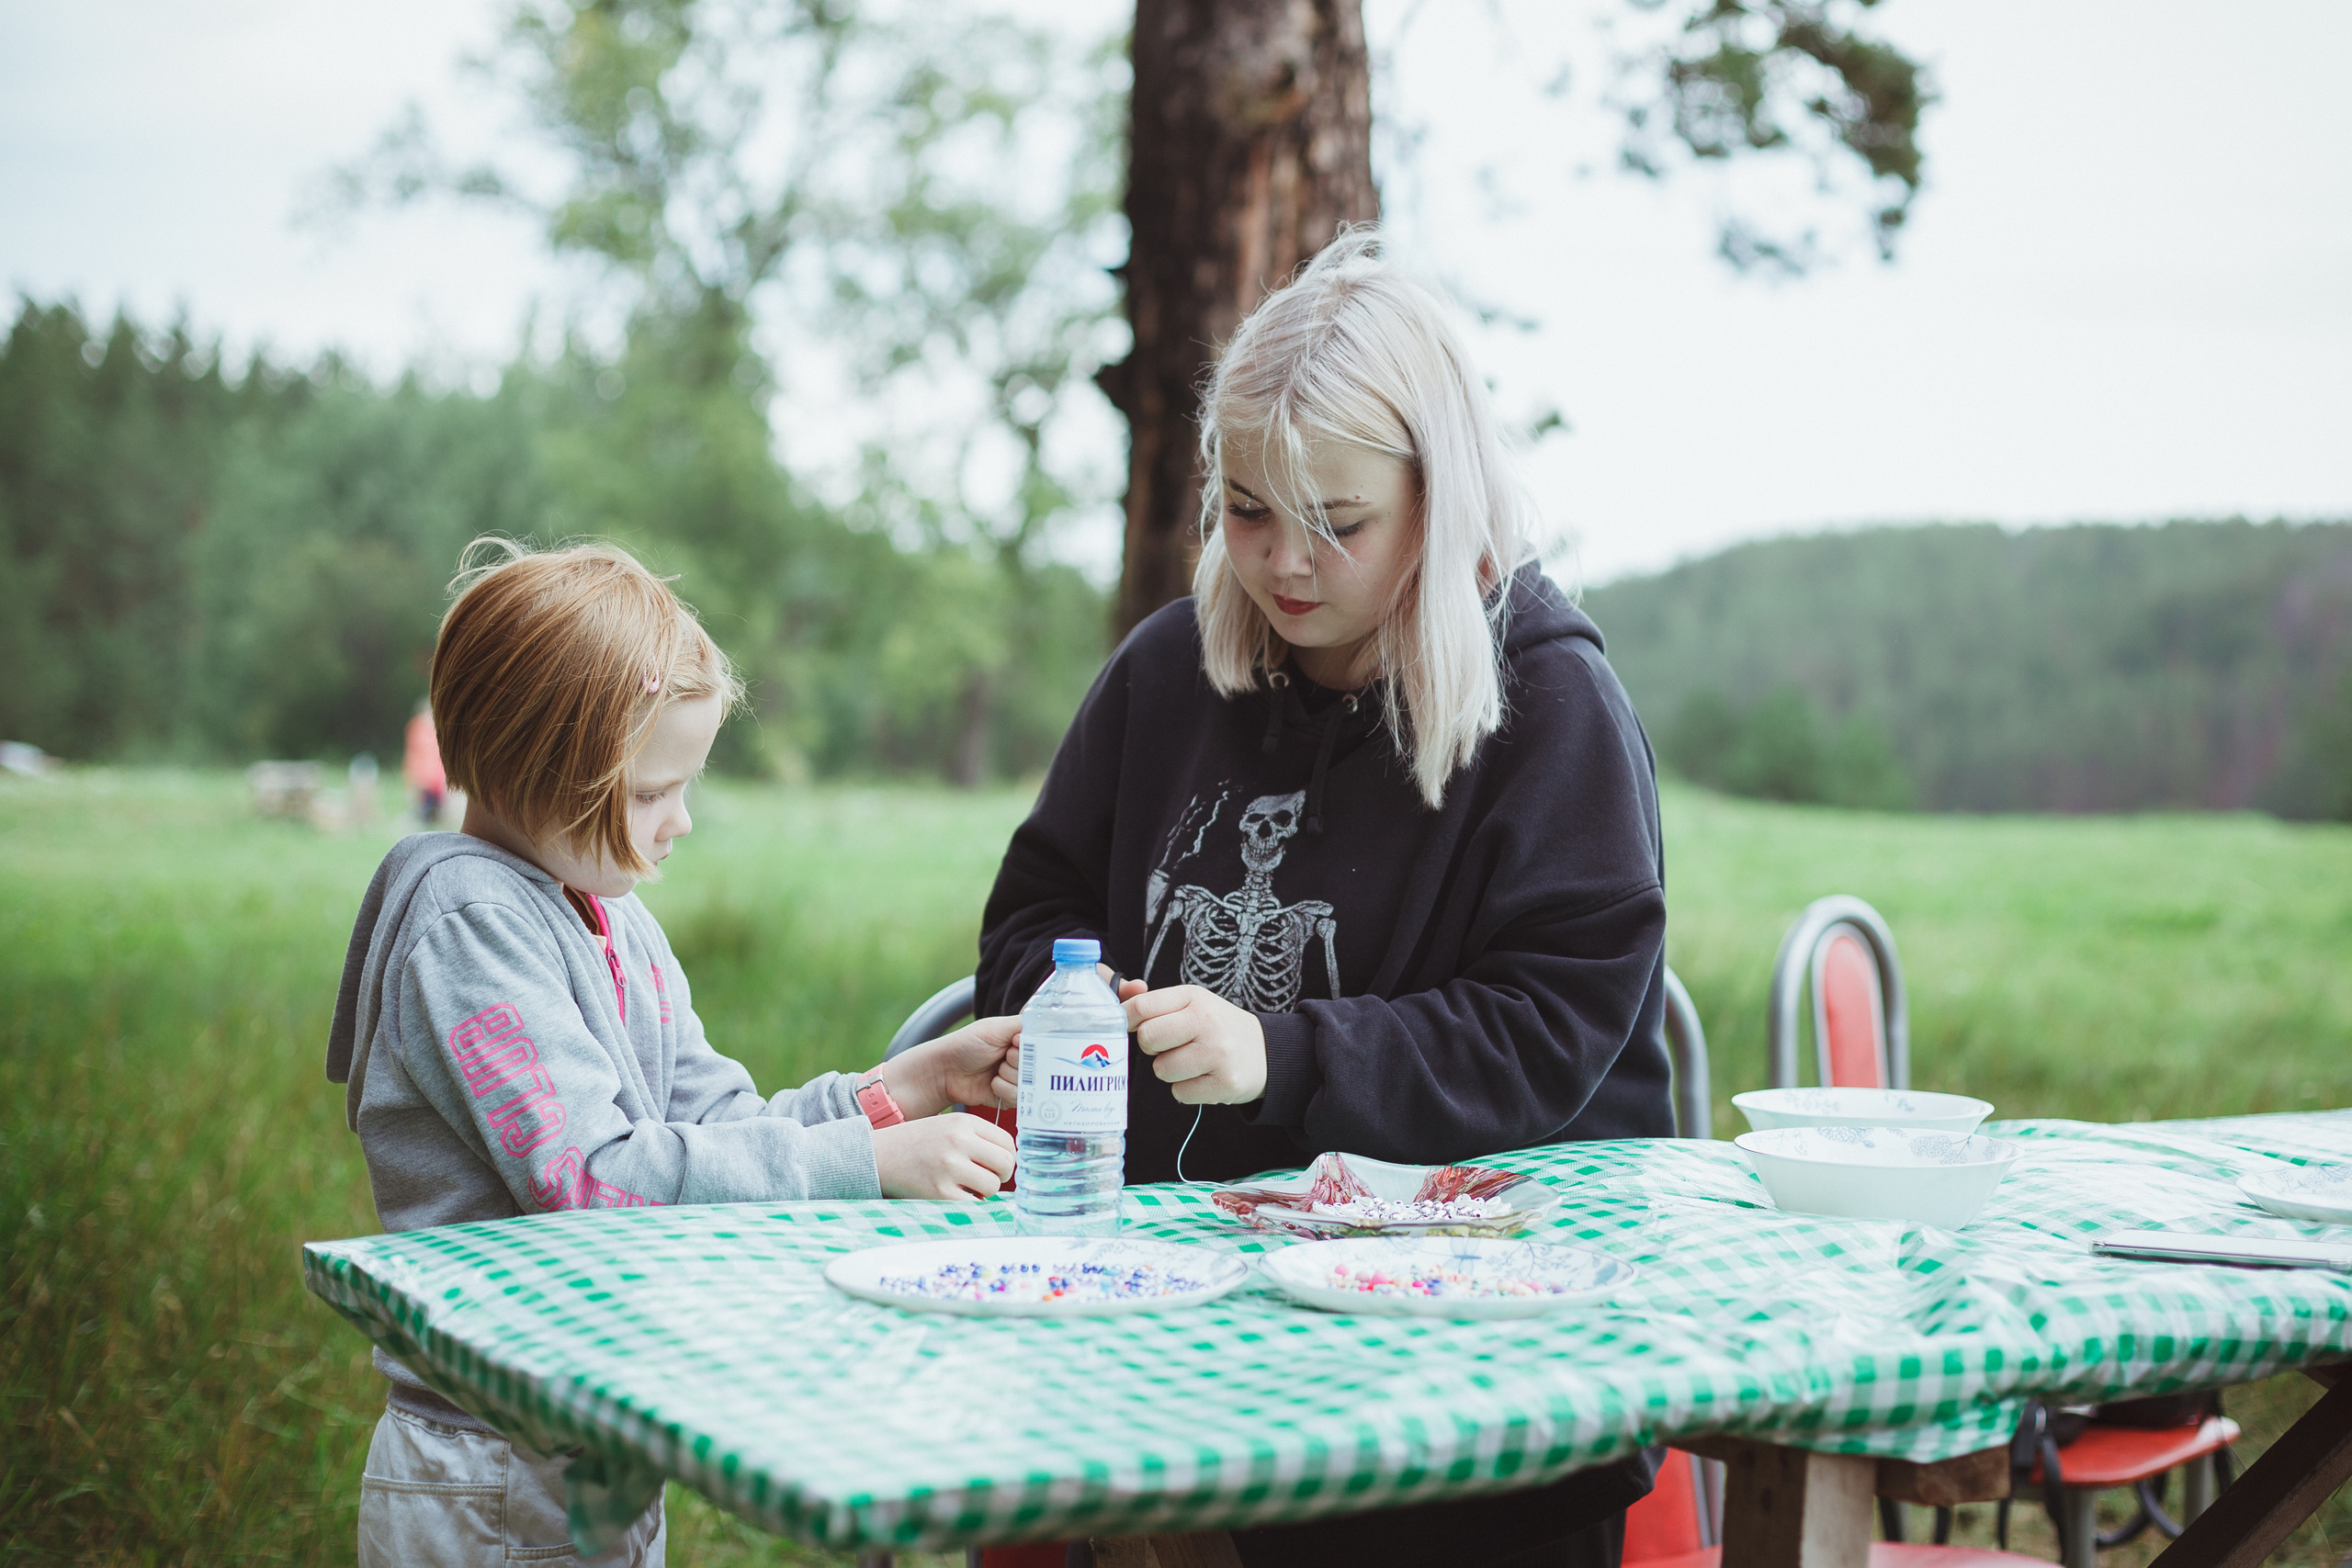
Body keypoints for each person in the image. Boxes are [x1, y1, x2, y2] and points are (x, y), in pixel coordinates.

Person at [976, 231, 1670, 1568]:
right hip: (1166, 1323)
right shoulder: (1169, 670)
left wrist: (1278, 1053)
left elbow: (1551, 1025)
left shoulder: (1550, 704)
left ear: (1439, 497)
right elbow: (1034, 907)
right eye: (1246, 512)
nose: (1284, 563)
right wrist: (1079, 1013)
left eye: (1339, 523)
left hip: (1471, 1381)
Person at [328, 541, 1020, 1568]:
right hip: (487, 1470)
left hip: (593, 1448)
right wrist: (868, 1171)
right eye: (653, 791)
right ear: (540, 771)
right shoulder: (468, 922)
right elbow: (595, 1180)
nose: (680, 821)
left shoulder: (608, 911)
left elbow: (716, 1134)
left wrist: (902, 1089)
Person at [403, 697, 446, 824]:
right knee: (424, 805)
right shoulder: (419, 729)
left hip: (434, 776)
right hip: (425, 775)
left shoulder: (432, 730)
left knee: (434, 806)